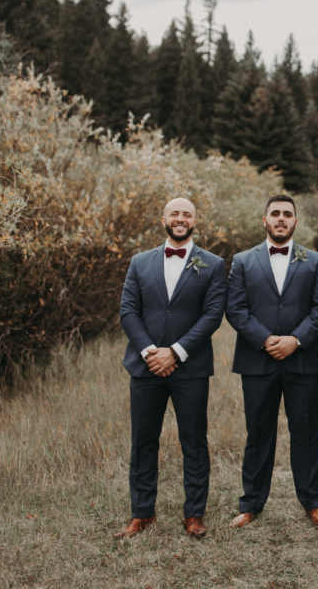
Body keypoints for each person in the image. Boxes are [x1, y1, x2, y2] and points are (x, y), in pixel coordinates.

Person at [115, 197, 226, 540]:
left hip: (190, 368)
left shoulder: (213, 264)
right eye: (175, 213)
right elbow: (128, 311)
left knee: (194, 442)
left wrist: (175, 353)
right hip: (145, 366)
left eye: (187, 214)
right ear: (163, 219)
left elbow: (212, 315)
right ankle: (142, 514)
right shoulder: (139, 262)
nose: (181, 219)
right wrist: (151, 352)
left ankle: (194, 514)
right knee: (143, 442)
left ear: (196, 221)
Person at [226, 195, 318, 527]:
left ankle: (313, 502)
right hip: (258, 360)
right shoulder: (242, 261)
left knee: (306, 431)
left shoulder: (314, 261)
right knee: (258, 432)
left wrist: (296, 340)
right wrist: (265, 339)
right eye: (275, 214)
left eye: (288, 214)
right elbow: (236, 308)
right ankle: (251, 504)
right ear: (265, 220)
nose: (281, 218)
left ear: (296, 222)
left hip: (302, 359)